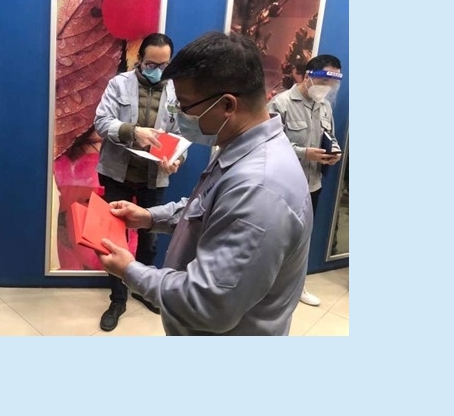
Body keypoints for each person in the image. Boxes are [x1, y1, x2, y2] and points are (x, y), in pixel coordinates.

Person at [98, 31, 312, 336]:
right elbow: (209, 209)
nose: (180, 116)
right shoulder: (242, 148)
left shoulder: (260, 188)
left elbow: (208, 304)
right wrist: (149, 217)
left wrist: (129, 271)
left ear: (227, 105)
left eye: (185, 106)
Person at [93, 32, 185, 331]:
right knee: (113, 238)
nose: (157, 70)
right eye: (151, 64)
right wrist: (133, 131)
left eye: (163, 65)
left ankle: (144, 289)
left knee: (150, 238)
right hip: (117, 172)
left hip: (154, 176)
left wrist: (177, 159)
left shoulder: (176, 92)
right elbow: (101, 122)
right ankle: (117, 299)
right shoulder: (119, 84)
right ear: (139, 60)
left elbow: (181, 133)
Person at [267, 54, 343, 306]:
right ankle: (266, 287)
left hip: (312, 185)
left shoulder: (325, 107)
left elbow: (329, 136)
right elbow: (268, 144)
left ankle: (296, 286)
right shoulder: (281, 103)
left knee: (302, 240)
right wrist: (304, 153)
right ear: (308, 76)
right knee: (275, 237)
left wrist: (332, 153)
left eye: (332, 83)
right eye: (324, 81)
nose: (327, 88)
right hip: (283, 186)